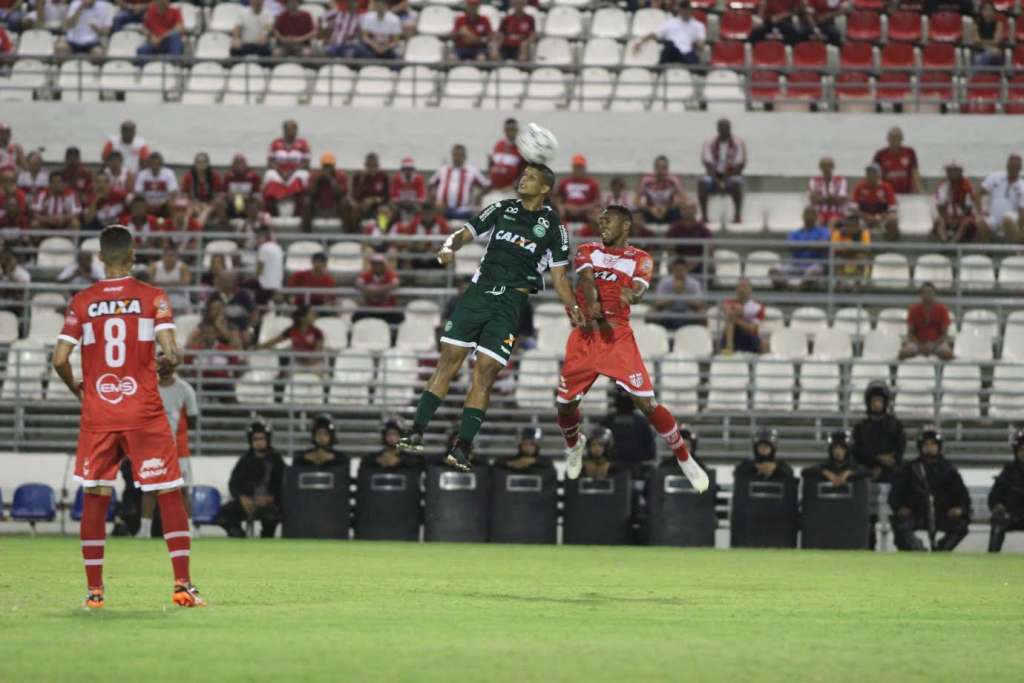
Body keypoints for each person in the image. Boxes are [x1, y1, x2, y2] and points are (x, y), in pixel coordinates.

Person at [50, 225, 204, 609]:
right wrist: (158, 360)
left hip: (100, 410)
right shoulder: (154, 298)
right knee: (169, 490)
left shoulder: (82, 302)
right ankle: (182, 585)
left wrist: (78, 390)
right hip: (144, 411)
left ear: (100, 258)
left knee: (97, 493)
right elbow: (173, 354)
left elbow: (59, 360)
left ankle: (95, 593)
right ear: (133, 255)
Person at [397, 163, 579, 472]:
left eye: (531, 177)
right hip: (478, 294)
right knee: (449, 362)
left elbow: (560, 277)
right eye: (523, 175)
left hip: (510, 303)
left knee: (485, 373)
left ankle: (462, 446)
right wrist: (448, 246)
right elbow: (464, 232)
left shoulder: (553, 228)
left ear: (545, 188)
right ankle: (416, 430)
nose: (523, 179)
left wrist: (573, 309)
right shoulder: (500, 208)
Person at [554, 205, 709, 491]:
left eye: (608, 221)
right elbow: (586, 280)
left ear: (625, 225)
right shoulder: (587, 249)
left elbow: (639, 289)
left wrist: (632, 296)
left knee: (647, 404)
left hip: (617, 336)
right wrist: (593, 305)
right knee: (565, 405)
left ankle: (684, 458)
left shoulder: (641, 258)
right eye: (600, 220)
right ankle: (574, 444)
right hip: (587, 333)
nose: (602, 225)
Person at [139, 363, 199, 539]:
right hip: (153, 447)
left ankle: (188, 528)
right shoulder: (148, 387)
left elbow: (193, 419)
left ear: (173, 366)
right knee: (149, 488)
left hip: (178, 449)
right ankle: (145, 530)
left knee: (183, 489)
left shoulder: (185, 389)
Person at [889, 426, 971, 552]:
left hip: (942, 513)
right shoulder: (909, 469)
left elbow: (963, 497)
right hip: (916, 513)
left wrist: (959, 509)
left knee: (961, 525)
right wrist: (901, 507)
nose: (929, 447)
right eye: (926, 444)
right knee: (901, 523)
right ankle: (918, 551)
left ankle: (941, 551)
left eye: (933, 444)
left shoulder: (949, 470)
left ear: (939, 446)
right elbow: (895, 495)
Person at [217, 419, 286, 539]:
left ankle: (267, 540)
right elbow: (233, 484)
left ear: (268, 439)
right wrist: (242, 498)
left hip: (269, 504)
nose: (258, 442)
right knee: (223, 514)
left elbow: (285, 484)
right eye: (255, 439)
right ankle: (238, 537)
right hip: (247, 502)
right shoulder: (245, 460)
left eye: (261, 439)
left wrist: (271, 498)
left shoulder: (276, 460)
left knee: (272, 518)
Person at [852, 381, 906, 483]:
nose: (877, 404)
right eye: (874, 401)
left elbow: (899, 450)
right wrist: (877, 458)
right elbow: (858, 452)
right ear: (869, 403)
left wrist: (883, 466)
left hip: (891, 471)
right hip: (866, 471)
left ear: (885, 403)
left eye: (879, 401)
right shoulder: (860, 427)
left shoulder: (895, 425)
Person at [598, 389, 657, 479]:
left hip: (628, 468)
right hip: (616, 468)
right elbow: (650, 451)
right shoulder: (641, 421)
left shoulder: (608, 420)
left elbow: (650, 451)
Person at [769, 206, 830, 290]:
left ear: (816, 216)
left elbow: (822, 245)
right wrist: (812, 245)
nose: (809, 216)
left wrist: (801, 246)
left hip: (814, 264)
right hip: (796, 264)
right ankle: (788, 288)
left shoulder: (823, 231)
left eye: (812, 214)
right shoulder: (795, 232)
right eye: (807, 213)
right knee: (774, 270)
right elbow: (790, 247)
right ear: (802, 216)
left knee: (814, 271)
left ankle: (797, 289)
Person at [699, 119, 745, 224]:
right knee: (702, 182)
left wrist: (725, 179)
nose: (724, 130)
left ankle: (737, 216)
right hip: (714, 175)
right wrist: (717, 180)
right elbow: (708, 164)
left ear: (730, 128)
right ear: (717, 129)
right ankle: (704, 217)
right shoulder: (709, 143)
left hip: (732, 175)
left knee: (737, 183)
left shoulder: (738, 143)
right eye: (722, 127)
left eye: (727, 127)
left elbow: (740, 164)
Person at [634, 0, 705, 67]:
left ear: (691, 10)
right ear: (680, 10)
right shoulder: (670, 22)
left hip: (687, 52)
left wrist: (698, 45)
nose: (685, 11)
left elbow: (701, 44)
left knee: (693, 61)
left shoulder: (698, 26)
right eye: (684, 9)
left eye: (687, 9)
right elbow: (655, 34)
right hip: (672, 51)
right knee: (669, 44)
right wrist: (641, 41)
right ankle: (660, 69)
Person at [258, 304, 326, 371]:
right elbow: (275, 340)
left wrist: (308, 364)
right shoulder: (292, 330)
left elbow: (318, 351)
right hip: (297, 362)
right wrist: (258, 347)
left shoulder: (317, 332)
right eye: (311, 314)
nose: (315, 316)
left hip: (313, 363)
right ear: (302, 317)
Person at [988, 427, 1024, 553]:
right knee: (998, 518)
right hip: (1013, 515)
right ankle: (992, 558)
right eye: (1021, 450)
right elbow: (994, 496)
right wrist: (997, 506)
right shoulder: (1008, 471)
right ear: (1016, 452)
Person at [430, 144, 489, 220]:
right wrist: (434, 200)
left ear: (464, 157)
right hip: (443, 210)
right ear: (452, 155)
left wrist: (479, 196)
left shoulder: (472, 171)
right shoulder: (443, 169)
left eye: (460, 155)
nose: (457, 158)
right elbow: (430, 185)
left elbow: (487, 186)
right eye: (455, 155)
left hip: (463, 210)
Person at [900, 282, 953, 361]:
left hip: (937, 343)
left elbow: (944, 334)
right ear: (920, 295)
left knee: (947, 354)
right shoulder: (913, 310)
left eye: (930, 292)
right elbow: (910, 333)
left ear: (934, 294)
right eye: (924, 292)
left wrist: (933, 345)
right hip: (918, 343)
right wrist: (920, 345)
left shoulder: (942, 309)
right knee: (903, 353)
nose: (927, 295)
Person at [978, 153, 1024, 244]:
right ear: (1007, 165)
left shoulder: (1022, 186)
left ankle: (1014, 250)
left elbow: (1022, 210)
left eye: (1016, 166)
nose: (1012, 168)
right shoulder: (994, 177)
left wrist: (1020, 226)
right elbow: (978, 193)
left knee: (1007, 219)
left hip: (1012, 217)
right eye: (1011, 165)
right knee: (981, 222)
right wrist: (981, 210)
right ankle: (988, 252)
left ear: (1020, 168)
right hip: (993, 217)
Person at [651, 257, 704, 330]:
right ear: (673, 270)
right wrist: (674, 296)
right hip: (668, 313)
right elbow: (657, 303)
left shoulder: (694, 284)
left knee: (702, 314)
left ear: (686, 270)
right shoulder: (664, 282)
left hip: (688, 314)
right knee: (651, 314)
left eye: (682, 270)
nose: (679, 273)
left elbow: (699, 304)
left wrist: (683, 294)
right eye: (677, 270)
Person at [801, 429, 867, 486]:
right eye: (835, 448)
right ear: (831, 450)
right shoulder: (825, 466)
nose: (838, 451)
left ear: (847, 451)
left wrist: (848, 473)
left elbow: (866, 472)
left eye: (841, 448)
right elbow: (805, 472)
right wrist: (826, 473)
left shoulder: (853, 466)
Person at [933, 160, 979, 244]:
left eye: (955, 170)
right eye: (949, 170)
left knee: (966, 222)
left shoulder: (967, 186)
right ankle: (945, 241)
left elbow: (968, 209)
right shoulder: (942, 185)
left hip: (963, 217)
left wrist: (957, 220)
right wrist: (948, 219)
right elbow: (940, 207)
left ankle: (953, 243)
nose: (951, 173)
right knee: (939, 221)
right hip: (948, 217)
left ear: (960, 171)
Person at [851, 163, 899, 241]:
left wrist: (879, 217)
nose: (869, 175)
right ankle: (859, 248)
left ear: (878, 175)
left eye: (872, 172)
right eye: (868, 172)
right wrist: (865, 216)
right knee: (851, 220)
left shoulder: (886, 187)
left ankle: (888, 247)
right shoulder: (860, 186)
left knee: (893, 220)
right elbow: (853, 208)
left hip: (881, 217)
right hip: (864, 217)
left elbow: (893, 209)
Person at [636, 155, 687, 228]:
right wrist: (650, 209)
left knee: (680, 211)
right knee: (637, 213)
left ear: (667, 168)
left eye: (664, 168)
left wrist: (666, 208)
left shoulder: (673, 180)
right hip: (651, 211)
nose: (661, 170)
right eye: (658, 167)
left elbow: (683, 199)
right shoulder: (646, 181)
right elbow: (637, 201)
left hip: (669, 211)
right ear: (655, 168)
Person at [303, 152, 350, 231]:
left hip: (335, 208)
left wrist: (331, 180)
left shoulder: (341, 176)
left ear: (333, 166)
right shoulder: (315, 176)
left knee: (345, 202)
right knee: (306, 201)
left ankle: (347, 231)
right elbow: (309, 193)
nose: (327, 169)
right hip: (318, 208)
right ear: (322, 166)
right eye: (325, 166)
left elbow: (342, 193)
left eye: (329, 166)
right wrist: (318, 181)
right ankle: (307, 232)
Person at [555, 154, 602, 231]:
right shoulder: (565, 182)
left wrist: (582, 208)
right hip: (568, 210)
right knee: (558, 212)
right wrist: (565, 206)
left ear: (584, 168)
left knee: (596, 215)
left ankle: (592, 235)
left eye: (580, 167)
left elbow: (597, 201)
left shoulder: (592, 183)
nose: (578, 170)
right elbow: (558, 199)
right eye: (576, 167)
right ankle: (558, 233)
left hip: (586, 210)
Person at [871, 126, 924, 195]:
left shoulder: (910, 152)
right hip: (886, 194)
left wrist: (920, 191)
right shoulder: (880, 154)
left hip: (906, 193)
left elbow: (915, 172)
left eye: (897, 137)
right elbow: (873, 175)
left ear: (902, 138)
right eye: (892, 137)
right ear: (888, 138)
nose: (895, 140)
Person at [180, 152, 225, 229]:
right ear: (195, 163)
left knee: (206, 211)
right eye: (199, 162)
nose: (201, 165)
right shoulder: (189, 176)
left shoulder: (214, 176)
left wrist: (209, 204)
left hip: (210, 204)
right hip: (193, 203)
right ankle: (184, 230)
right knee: (189, 210)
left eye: (204, 162)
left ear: (208, 163)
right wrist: (194, 203)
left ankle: (197, 228)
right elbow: (184, 194)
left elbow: (220, 193)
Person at [354, 252, 402, 325]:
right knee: (357, 316)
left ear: (384, 265)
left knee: (399, 317)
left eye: (379, 264)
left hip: (387, 309)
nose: (377, 266)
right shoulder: (367, 274)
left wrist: (377, 290)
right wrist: (368, 289)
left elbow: (395, 283)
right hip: (370, 309)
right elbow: (358, 283)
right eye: (374, 264)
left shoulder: (390, 274)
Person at [720, 277, 764, 355]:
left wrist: (737, 319)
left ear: (750, 290)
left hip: (749, 337)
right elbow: (726, 310)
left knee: (731, 319)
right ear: (736, 289)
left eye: (745, 287)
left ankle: (728, 350)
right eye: (740, 287)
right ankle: (728, 350)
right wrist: (737, 312)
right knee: (729, 322)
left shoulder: (758, 307)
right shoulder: (729, 302)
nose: (742, 290)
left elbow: (753, 329)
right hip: (733, 336)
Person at [831, 210, 871, 290]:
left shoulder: (864, 232)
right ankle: (839, 284)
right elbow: (834, 248)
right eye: (847, 225)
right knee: (836, 260)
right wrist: (853, 248)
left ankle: (858, 284)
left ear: (857, 225)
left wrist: (847, 249)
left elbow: (866, 249)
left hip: (857, 257)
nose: (849, 228)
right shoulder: (838, 232)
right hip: (842, 257)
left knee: (863, 259)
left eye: (852, 225)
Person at [148, 243, 190, 313]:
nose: (170, 258)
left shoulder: (182, 267)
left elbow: (185, 282)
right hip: (158, 294)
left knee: (175, 302)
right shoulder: (154, 267)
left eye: (172, 256)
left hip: (177, 294)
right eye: (168, 256)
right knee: (160, 302)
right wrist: (174, 283)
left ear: (177, 257)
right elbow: (148, 282)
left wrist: (160, 284)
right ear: (163, 257)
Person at [350, 151, 389, 225]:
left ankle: (382, 232)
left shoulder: (383, 176)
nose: (372, 168)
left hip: (378, 205)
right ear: (365, 165)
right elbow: (355, 195)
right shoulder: (358, 176)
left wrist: (373, 200)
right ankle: (354, 232)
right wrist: (362, 180)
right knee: (354, 209)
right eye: (369, 165)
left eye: (374, 165)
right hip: (362, 204)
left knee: (384, 210)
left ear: (378, 165)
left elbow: (386, 197)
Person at [807, 155, 847, 228]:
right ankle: (818, 238)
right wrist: (830, 198)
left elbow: (842, 200)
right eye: (824, 165)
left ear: (833, 167)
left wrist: (821, 198)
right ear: (820, 167)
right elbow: (813, 200)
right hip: (818, 213)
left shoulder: (841, 180)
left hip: (836, 213)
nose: (827, 168)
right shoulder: (814, 180)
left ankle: (827, 238)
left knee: (832, 221)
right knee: (818, 221)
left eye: (829, 165)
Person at [488, 118, 524, 195]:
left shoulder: (521, 148)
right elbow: (491, 163)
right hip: (495, 190)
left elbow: (524, 170)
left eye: (512, 129)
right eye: (508, 129)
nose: (510, 132)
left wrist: (515, 185)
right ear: (504, 130)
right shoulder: (498, 145)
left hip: (510, 191)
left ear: (517, 130)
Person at [254, 225, 284, 305]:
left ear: (264, 237)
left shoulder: (263, 248)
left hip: (266, 287)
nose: (256, 240)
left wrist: (256, 281)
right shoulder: (277, 247)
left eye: (258, 237)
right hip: (277, 285)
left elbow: (259, 270)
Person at [969, 2, 1004, 68]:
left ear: (994, 12)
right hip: (980, 51)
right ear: (981, 12)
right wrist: (990, 46)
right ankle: (979, 76)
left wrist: (982, 42)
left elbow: (996, 41)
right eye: (985, 10)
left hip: (995, 54)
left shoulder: (999, 24)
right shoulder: (976, 24)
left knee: (995, 53)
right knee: (979, 58)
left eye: (990, 10)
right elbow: (976, 41)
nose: (988, 12)